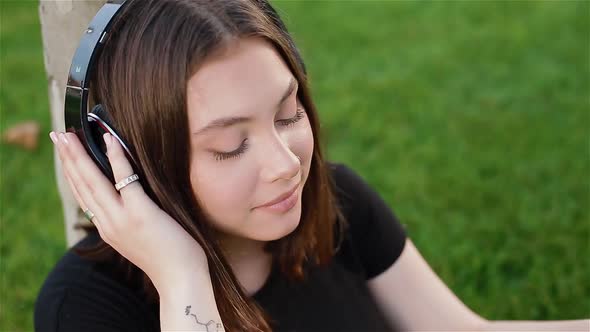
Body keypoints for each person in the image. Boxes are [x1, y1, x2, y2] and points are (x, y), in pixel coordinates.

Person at [35, 1, 589, 331]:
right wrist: (182, 277)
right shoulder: (85, 306)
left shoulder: (335, 199)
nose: (286, 166)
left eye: (287, 113)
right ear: (127, 162)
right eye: (230, 146)